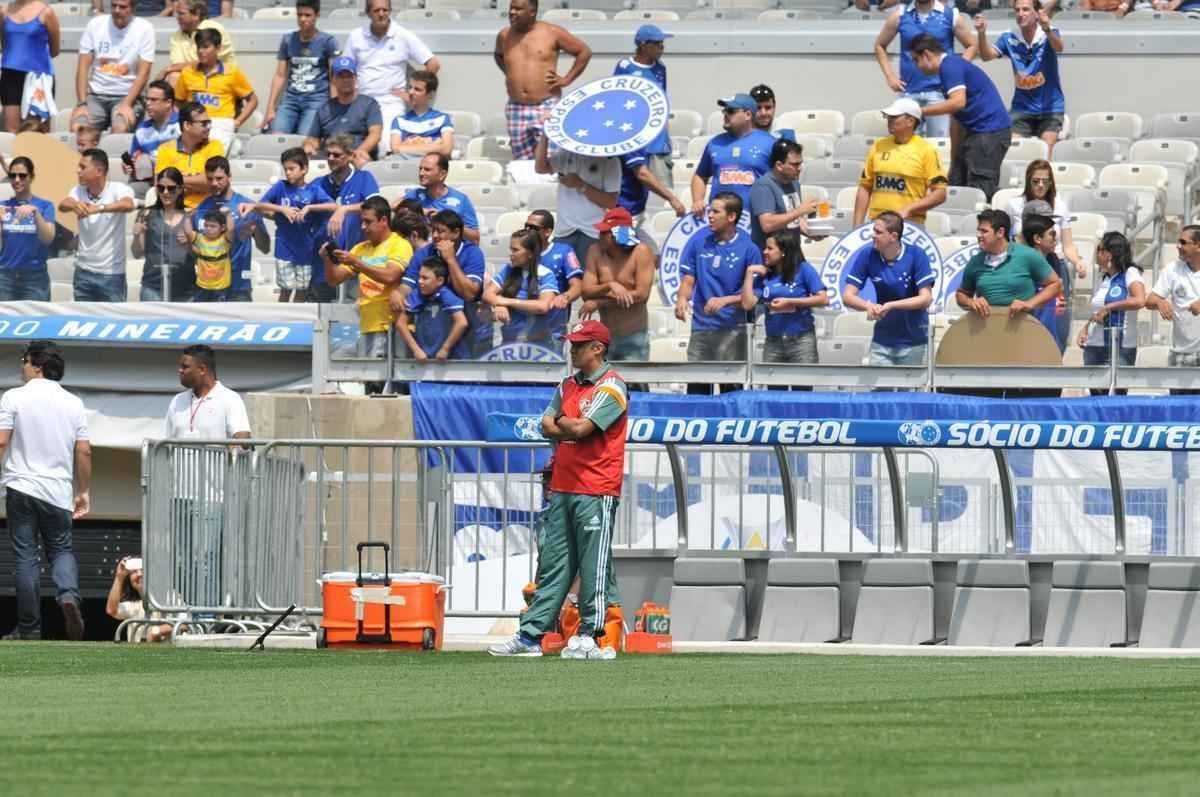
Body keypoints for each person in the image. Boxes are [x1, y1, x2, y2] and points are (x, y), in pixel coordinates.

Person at [488, 319, 628, 659]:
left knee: (593, 565)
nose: (572, 349)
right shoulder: (567, 384)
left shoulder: (612, 387)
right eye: (572, 343)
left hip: (596, 487)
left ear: (598, 349)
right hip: (565, 486)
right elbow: (545, 423)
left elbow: (576, 428)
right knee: (554, 565)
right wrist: (567, 427)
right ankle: (530, 636)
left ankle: (591, 636)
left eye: (579, 345)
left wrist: (564, 426)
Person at [0, 341, 90, 641]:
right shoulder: (74, 402)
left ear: (37, 364)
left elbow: (2, 441)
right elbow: (84, 451)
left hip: (20, 486)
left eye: (24, 361)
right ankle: (68, 596)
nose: (22, 366)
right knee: (61, 550)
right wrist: (84, 491)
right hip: (58, 491)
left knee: (26, 558)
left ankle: (29, 629)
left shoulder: (13, 397)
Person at [163, 344, 251, 607]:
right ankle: (191, 613)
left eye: (184, 367)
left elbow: (243, 436)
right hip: (179, 495)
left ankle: (206, 618)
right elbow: (165, 443)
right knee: (181, 562)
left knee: (205, 560)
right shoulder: (177, 402)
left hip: (212, 495)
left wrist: (236, 447)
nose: (179, 371)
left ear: (202, 370)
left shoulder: (229, 399)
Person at [676, 192, 763, 394]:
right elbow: (688, 279)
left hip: (732, 330)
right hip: (701, 328)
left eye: (716, 211)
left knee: (730, 391)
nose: (710, 216)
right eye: (709, 211)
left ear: (731, 216)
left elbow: (754, 294)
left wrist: (726, 300)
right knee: (697, 390)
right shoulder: (699, 244)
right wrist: (681, 298)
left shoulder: (750, 249)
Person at [910, 33, 1012, 200]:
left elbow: (958, 102)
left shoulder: (949, 67)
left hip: (989, 133)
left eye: (916, 60)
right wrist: (955, 159)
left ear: (927, 55)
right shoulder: (950, 68)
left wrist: (920, 112)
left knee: (979, 193)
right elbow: (957, 117)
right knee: (955, 185)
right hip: (975, 134)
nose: (916, 66)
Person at [494, 0, 592, 161]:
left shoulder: (552, 32)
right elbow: (498, 55)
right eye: (511, 8)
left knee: (550, 158)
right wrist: (510, 74)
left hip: (546, 104)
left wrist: (567, 79)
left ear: (532, 12)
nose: (512, 12)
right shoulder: (504, 35)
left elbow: (584, 52)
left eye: (518, 9)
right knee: (522, 160)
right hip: (516, 105)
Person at [240, 147, 337, 302]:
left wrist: (310, 207)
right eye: (286, 169)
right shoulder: (280, 187)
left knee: (302, 290)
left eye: (292, 168)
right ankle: (284, 319)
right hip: (284, 248)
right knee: (285, 290)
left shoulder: (313, 190)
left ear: (304, 168)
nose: (288, 173)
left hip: (306, 249)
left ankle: (296, 319)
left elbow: (334, 207)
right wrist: (282, 209)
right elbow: (260, 205)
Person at [343, 0, 439, 153]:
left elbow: (433, 63)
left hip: (391, 103)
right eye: (377, 10)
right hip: (361, 101)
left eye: (385, 10)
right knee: (347, 145)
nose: (381, 14)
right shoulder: (355, 36)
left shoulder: (403, 35)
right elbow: (345, 70)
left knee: (385, 147)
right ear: (368, 13)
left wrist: (414, 93)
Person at [843, 211, 936, 366]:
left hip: (914, 342)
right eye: (874, 231)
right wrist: (868, 306)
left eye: (878, 232)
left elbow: (926, 298)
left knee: (910, 391)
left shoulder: (917, 255)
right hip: (882, 342)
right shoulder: (867, 254)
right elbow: (847, 296)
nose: (873, 235)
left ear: (893, 236)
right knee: (879, 390)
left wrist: (891, 305)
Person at [322, 195, 411, 358]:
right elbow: (334, 279)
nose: (363, 227)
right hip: (368, 324)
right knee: (368, 379)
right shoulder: (360, 248)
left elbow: (391, 276)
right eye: (361, 222)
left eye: (368, 222)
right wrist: (328, 260)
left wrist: (357, 262)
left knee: (389, 381)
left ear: (384, 220)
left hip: (391, 325)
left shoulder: (399, 244)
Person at [873, 0, 977, 139]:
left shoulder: (950, 15)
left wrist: (955, 72)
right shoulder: (900, 15)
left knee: (938, 146)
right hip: (908, 92)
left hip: (939, 93)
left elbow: (972, 45)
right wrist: (890, 77)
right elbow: (879, 45)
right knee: (905, 146)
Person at [395, 209, 490, 356]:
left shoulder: (473, 253)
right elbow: (408, 286)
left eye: (441, 231)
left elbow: (469, 294)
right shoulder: (424, 253)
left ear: (456, 233)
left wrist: (450, 260)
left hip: (468, 332)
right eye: (433, 230)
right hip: (432, 332)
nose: (434, 236)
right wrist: (397, 293)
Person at [976, 0, 1065, 154]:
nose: (1020, 14)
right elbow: (986, 56)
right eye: (1017, 10)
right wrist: (982, 33)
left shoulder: (1049, 33)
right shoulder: (1009, 37)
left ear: (1037, 13)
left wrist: (1047, 28)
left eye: (1025, 10)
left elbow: (1059, 47)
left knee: (1045, 149)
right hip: (1022, 109)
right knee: (1012, 152)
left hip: (1050, 108)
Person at [853, 98, 948, 229]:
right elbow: (865, 187)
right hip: (877, 225)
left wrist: (909, 209)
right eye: (888, 117)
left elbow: (940, 194)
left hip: (909, 227)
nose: (889, 120)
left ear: (910, 121)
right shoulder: (878, 146)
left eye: (894, 117)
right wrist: (856, 227)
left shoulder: (926, 150)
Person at [741, 232, 826, 374]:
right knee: (774, 392)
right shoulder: (766, 275)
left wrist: (790, 302)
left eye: (770, 248)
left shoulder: (803, 269)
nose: (764, 252)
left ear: (783, 252)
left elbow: (823, 299)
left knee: (802, 393)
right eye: (765, 248)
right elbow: (747, 304)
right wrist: (749, 274)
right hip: (773, 342)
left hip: (801, 342)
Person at [310, 133, 381, 301]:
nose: (331, 158)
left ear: (350, 156)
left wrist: (343, 210)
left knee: (351, 317)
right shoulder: (318, 183)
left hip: (355, 261)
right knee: (323, 317)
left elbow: (375, 206)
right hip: (323, 263)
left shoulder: (364, 178)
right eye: (328, 154)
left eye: (337, 155)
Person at [955, 209, 1061, 321]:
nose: (979, 235)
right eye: (978, 231)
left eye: (984, 231)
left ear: (1000, 232)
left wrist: (1030, 304)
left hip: (1023, 329)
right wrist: (970, 302)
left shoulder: (1028, 255)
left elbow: (1055, 284)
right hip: (986, 331)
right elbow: (961, 294)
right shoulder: (975, 261)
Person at [59, 148, 136, 302]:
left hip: (112, 274)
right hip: (83, 272)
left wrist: (100, 208)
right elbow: (63, 204)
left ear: (98, 171)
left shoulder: (118, 189)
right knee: (83, 323)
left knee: (114, 323)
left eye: (83, 167)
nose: (77, 171)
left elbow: (128, 204)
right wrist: (74, 204)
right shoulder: (78, 191)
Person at [534, 132, 620, 269]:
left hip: (593, 233)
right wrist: (545, 136)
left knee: (588, 282)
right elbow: (540, 168)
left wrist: (581, 185)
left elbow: (611, 202)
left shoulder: (611, 160)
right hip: (564, 231)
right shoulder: (565, 153)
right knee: (559, 282)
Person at [580, 208, 655, 362]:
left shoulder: (641, 252)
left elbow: (641, 295)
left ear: (617, 234)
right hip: (605, 337)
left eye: (604, 233)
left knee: (635, 385)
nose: (599, 236)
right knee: (605, 385)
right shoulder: (595, 251)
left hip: (633, 336)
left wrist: (599, 302)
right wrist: (610, 285)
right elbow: (586, 291)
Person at [192, 155, 270, 303]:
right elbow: (196, 250)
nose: (214, 183)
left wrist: (256, 230)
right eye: (210, 179)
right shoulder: (201, 210)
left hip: (238, 288)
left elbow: (265, 248)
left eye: (219, 178)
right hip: (207, 288)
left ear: (229, 177)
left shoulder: (247, 206)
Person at [72, 0, 154, 134]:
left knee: (120, 127)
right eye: (114, 5)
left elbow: (144, 73)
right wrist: (82, 104)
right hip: (95, 95)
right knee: (78, 127)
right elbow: (82, 67)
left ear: (132, 8)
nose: (116, 10)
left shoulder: (144, 28)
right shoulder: (95, 25)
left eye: (122, 7)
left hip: (127, 96)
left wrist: (127, 104)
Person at [691, 94, 777, 217]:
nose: (726, 115)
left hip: (756, 221)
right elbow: (700, 175)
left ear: (748, 115)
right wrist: (698, 200)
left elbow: (784, 180)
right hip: (721, 222)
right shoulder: (714, 143)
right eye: (725, 111)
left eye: (731, 111)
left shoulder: (770, 143)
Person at [1079, 231, 1143, 394]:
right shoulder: (1103, 278)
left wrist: (1110, 307)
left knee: (1116, 399)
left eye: (1100, 249)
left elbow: (1139, 300)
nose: (1096, 253)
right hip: (1095, 345)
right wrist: (1085, 327)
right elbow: (1098, 310)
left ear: (1110, 254)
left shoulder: (1130, 274)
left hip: (1120, 346)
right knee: (1096, 398)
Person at [263, 0, 339, 137]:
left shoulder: (328, 42)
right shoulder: (288, 40)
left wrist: (334, 110)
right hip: (291, 100)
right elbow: (280, 75)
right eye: (299, 15)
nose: (303, 19)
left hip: (316, 100)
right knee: (275, 136)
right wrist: (270, 108)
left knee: (305, 139)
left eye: (307, 15)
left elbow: (334, 79)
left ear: (317, 15)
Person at [174, 28, 257, 152]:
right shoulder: (187, 72)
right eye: (199, 47)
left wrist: (237, 122)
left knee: (211, 155)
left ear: (218, 48)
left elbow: (253, 100)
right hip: (192, 121)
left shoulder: (232, 73)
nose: (201, 51)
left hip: (220, 123)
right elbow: (178, 101)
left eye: (206, 47)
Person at [613, 24, 672, 186]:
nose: (662, 47)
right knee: (636, 184)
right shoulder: (625, 66)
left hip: (658, 142)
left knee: (662, 188)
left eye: (662, 43)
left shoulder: (661, 68)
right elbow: (616, 100)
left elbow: (662, 99)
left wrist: (665, 133)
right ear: (643, 45)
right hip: (633, 137)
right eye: (657, 43)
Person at [1145, 225, 1200, 396]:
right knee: (1179, 411)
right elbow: (1149, 300)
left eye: (1183, 242)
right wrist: (1160, 302)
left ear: (1198, 246)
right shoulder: (1173, 269)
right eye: (1178, 241)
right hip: (1180, 355)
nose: (1178, 246)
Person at [1007, 160, 1085, 278]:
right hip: (1023, 263)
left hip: (1054, 263)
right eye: (1036, 181)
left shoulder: (1060, 206)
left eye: (1045, 181)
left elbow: (1068, 245)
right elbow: (1005, 239)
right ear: (1028, 182)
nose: (1041, 185)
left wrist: (1077, 262)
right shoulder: (1013, 205)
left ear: (1051, 182)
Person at [484, 228, 561, 345]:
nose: (511, 253)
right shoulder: (508, 270)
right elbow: (487, 294)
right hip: (509, 342)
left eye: (515, 250)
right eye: (511, 249)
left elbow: (542, 306)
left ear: (530, 253)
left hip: (537, 344)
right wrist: (499, 305)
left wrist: (505, 302)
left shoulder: (545, 274)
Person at [304, 56, 382, 167]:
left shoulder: (369, 104)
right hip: (330, 157)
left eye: (349, 76)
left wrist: (359, 152)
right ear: (333, 80)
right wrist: (309, 145)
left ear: (355, 78)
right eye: (341, 76)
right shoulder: (324, 108)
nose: (346, 80)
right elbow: (313, 139)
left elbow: (375, 134)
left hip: (356, 155)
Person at [132, 166, 195, 301]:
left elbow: (200, 255)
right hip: (153, 287)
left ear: (180, 189)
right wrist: (137, 235)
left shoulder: (191, 216)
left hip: (185, 288)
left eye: (171, 188)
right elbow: (137, 253)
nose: (165, 192)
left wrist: (189, 243)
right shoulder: (146, 214)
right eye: (161, 188)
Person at [0, 157, 56, 301]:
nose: (17, 180)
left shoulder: (44, 206)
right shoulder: (3, 206)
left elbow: (48, 238)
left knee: (37, 320)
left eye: (22, 175)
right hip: (5, 276)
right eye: (12, 176)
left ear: (31, 177)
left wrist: (36, 214)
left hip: (34, 277)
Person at [0, 0, 60, 133]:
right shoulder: (4, 12)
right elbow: (5, 45)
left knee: (37, 129)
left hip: (38, 77)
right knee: (12, 129)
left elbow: (55, 50)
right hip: (10, 76)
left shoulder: (47, 12)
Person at [395, 255, 469, 362]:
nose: (420, 281)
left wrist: (445, 349)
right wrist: (416, 350)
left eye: (425, 278)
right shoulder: (417, 294)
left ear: (439, 280)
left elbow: (462, 322)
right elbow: (400, 324)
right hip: (425, 359)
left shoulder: (447, 295)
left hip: (452, 359)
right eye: (419, 277)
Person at [155, 101, 225, 210]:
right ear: (187, 125)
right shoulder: (165, 149)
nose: (209, 127)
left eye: (209, 122)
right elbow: (161, 188)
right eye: (204, 123)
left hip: (208, 212)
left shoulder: (215, 146)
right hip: (176, 211)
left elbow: (215, 183)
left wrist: (178, 180)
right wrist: (199, 182)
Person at [525, 209, 582, 343]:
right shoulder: (522, 252)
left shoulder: (564, 251)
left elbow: (577, 286)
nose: (528, 230)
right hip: (525, 325)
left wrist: (565, 297)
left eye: (533, 228)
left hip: (554, 328)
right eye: (526, 226)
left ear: (547, 232)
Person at [749, 139, 818, 250]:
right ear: (779, 165)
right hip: (770, 259)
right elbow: (767, 224)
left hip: (792, 255)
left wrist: (812, 232)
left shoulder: (794, 183)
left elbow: (792, 222)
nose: (800, 168)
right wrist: (800, 210)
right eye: (795, 164)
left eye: (800, 163)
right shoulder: (763, 186)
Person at [617, 146, 687, 250]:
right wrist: (672, 198)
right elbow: (642, 173)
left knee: (654, 255)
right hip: (623, 214)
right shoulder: (629, 142)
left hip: (638, 211)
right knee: (624, 256)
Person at [401, 153, 481, 244]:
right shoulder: (415, 194)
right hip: (420, 253)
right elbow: (391, 207)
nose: (421, 173)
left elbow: (475, 239)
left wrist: (448, 222)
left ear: (442, 174)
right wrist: (420, 210)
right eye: (420, 169)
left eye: (427, 170)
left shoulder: (461, 200)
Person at [161, 0, 236, 89]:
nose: (177, 17)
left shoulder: (214, 29)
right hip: (192, 76)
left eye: (182, 14)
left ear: (196, 14)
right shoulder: (177, 35)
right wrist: (173, 69)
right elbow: (177, 65)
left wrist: (168, 69)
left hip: (219, 76)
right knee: (174, 76)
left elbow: (207, 62)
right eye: (177, 14)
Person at [388, 70, 453, 161]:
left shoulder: (443, 118)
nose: (411, 92)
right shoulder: (399, 121)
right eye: (410, 87)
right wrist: (434, 144)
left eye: (417, 89)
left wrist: (408, 145)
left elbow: (446, 149)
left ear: (430, 94)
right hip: (406, 167)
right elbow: (396, 149)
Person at [126, 80, 181, 184]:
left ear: (168, 103)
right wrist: (130, 167)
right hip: (149, 181)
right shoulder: (141, 130)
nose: (148, 103)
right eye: (147, 99)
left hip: (177, 180)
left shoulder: (182, 125)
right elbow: (136, 159)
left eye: (153, 100)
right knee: (130, 191)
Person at [105, 556, 171, 643]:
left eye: (143, 570)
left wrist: (157, 631)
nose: (139, 574)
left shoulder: (168, 596)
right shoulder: (135, 604)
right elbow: (111, 610)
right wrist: (119, 577)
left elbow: (185, 623)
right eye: (134, 572)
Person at [184, 207, 236, 301]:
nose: (208, 229)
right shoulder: (200, 239)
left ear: (223, 228)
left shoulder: (224, 240)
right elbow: (188, 232)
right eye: (206, 226)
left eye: (213, 226)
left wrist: (228, 214)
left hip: (221, 286)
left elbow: (231, 229)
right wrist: (187, 217)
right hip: (202, 286)